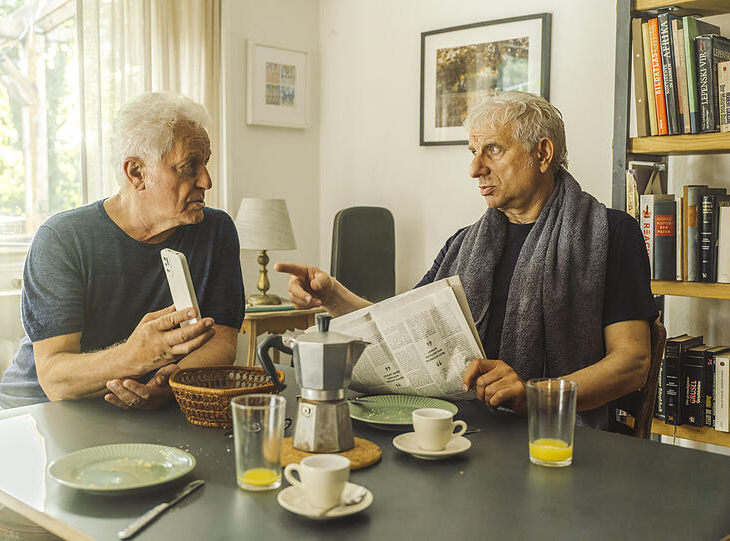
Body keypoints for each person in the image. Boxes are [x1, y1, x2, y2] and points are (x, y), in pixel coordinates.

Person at [0, 91, 245, 540]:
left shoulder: (217, 232)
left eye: (206, 162)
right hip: (25, 416)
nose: (206, 179)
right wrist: (136, 356)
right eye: (189, 165)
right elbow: (54, 377)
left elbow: (223, 341)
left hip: (135, 425)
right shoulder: (63, 238)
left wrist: (163, 385)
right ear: (136, 172)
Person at [277, 91, 657, 430]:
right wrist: (332, 295)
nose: (475, 169)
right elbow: (399, 331)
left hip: (556, 438)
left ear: (542, 153)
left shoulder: (610, 233)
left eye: (492, 150)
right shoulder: (464, 244)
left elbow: (632, 363)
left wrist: (533, 395)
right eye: (473, 153)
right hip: (457, 429)